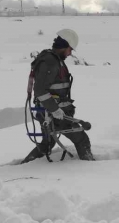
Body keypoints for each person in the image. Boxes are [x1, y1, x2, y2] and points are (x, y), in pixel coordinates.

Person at [21, 29, 95, 163]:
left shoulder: (51, 59)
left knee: (47, 143)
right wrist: (55, 110)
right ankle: (90, 167)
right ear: (64, 46)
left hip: (47, 112)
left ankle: (24, 166)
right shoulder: (51, 62)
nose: (70, 53)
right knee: (81, 138)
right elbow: (40, 90)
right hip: (52, 114)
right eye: (70, 49)